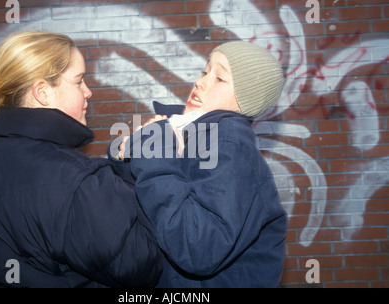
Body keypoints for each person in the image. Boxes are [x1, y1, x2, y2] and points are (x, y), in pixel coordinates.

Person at [0, 30, 162, 288]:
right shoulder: (74, 179)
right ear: (43, 92)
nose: (88, 92)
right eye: (78, 81)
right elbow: (142, 267)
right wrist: (147, 167)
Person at [112, 41, 288, 287]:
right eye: (206, 72)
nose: (201, 82)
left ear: (244, 102)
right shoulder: (193, 138)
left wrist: (154, 155)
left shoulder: (229, 146)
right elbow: (153, 213)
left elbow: (198, 248)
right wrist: (131, 156)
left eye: (220, 79)